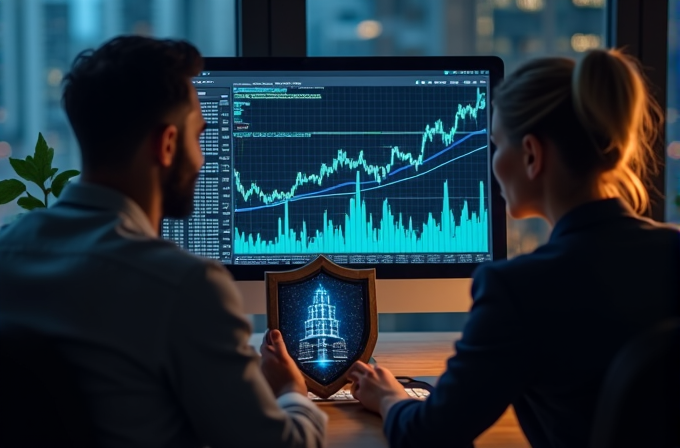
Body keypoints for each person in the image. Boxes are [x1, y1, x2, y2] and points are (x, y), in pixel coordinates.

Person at [0, 36, 326, 448]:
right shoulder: (184, 286)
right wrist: (290, 391)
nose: (203, 157)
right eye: (198, 136)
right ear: (167, 144)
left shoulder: (7, 251)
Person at [347, 48, 680, 448]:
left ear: (531, 155)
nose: (491, 163)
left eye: (495, 144)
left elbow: (430, 435)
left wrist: (389, 397)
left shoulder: (519, 289)